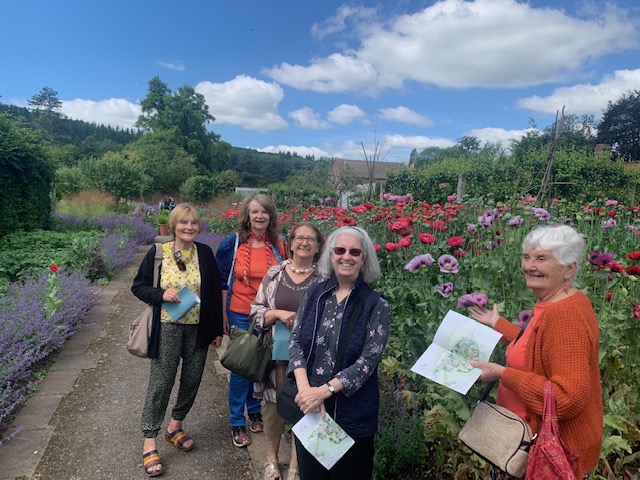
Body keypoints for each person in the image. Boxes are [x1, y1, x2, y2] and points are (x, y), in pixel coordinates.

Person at [469, 225, 603, 480]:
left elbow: (567, 398)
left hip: (546, 454)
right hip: (517, 440)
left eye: (541, 259)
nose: (529, 266)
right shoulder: (555, 301)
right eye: (527, 257)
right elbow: (539, 348)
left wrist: (502, 374)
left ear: (569, 268)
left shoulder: (565, 316)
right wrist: (499, 324)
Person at [288, 226, 391, 480]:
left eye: (354, 252)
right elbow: (296, 341)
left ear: (364, 258)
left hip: (350, 412)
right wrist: (306, 392)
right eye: (340, 250)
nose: (347, 256)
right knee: (311, 474)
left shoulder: (376, 305)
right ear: (330, 255)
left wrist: (324, 391)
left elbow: (368, 360)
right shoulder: (314, 294)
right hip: (311, 408)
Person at [131, 203, 224, 477]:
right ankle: (150, 439)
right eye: (183, 222)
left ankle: (175, 426)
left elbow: (214, 291)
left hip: (198, 329)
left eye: (193, 222)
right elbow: (138, 286)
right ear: (173, 226)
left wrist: (217, 329)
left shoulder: (204, 253)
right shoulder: (159, 253)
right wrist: (161, 295)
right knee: (161, 382)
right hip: (167, 327)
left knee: (192, 380)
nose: (189, 227)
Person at [250, 222, 325, 480]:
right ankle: (271, 457)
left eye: (311, 239)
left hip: (311, 359)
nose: (304, 243)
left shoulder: (325, 280)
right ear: (290, 243)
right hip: (277, 357)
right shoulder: (274, 274)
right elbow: (255, 311)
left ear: (318, 247)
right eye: (299, 238)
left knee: (304, 409)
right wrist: (277, 314)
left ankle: (295, 462)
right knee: (273, 409)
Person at [216, 194, 286, 448]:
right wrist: (223, 314)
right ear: (247, 215)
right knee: (241, 366)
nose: (259, 216)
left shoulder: (279, 243)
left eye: (264, 211)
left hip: (269, 314)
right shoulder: (233, 243)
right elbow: (222, 280)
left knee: (263, 363)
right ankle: (237, 420)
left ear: (271, 216)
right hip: (240, 311)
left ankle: (255, 410)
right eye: (254, 211)